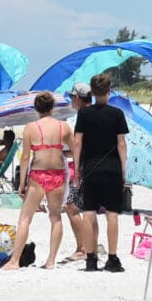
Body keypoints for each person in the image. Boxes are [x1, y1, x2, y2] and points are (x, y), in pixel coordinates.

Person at [2, 93, 74, 270]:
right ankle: (51, 261)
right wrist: (66, 157)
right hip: (58, 173)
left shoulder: (30, 128)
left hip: (38, 174)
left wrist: (21, 184)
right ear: (52, 108)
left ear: (36, 108)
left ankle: (15, 261)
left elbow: (25, 157)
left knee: (25, 218)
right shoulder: (63, 127)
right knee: (55, 217)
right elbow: (75, 150)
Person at [71, 73, 129, 273]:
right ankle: (112, 257)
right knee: (112, 214)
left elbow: (77, 141)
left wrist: (77, 167)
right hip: (112, 167)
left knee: (88, 213)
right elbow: (121, 143)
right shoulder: (117, 114)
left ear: (93, 93)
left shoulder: (84, 114)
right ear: (109, 91)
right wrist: (123, 170)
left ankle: (90, 258)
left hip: (91, 167)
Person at [61, 82, 96, 262]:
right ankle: (92, 247)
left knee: (71, 207)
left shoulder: (82, 116)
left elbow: (79, 146)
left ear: (77, 97)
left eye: (71, 97)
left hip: (85, 169)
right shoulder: (101, 112)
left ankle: (83, 248)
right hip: (99, 168)